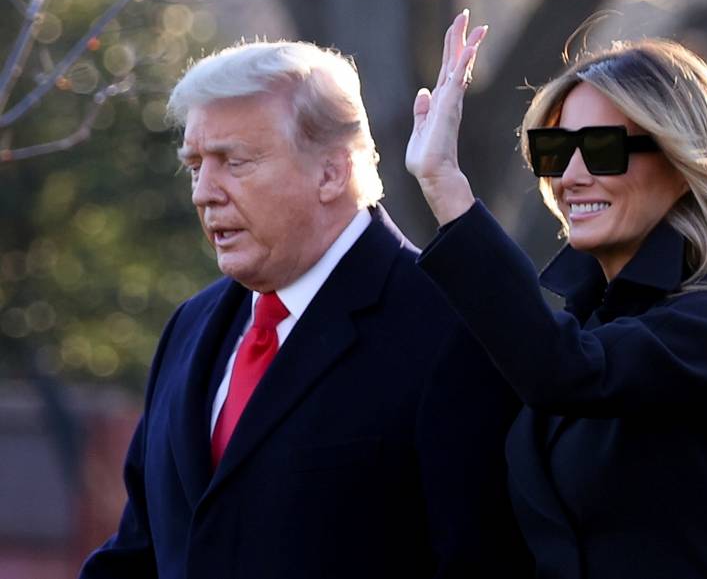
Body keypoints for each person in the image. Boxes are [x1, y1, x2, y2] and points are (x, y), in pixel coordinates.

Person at [79, 40, 533, 579]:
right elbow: (140, 553)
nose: (204, 193)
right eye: (195, 166)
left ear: (332, 172)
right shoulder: (189, 327)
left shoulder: (451, 326)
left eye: (234, 161)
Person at [407, 11, 707, 579]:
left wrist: (448, 191)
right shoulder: (585, 319)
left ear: (682, 161)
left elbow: (568, 372)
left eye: (601, 147)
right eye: (554, 149)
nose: (570, 176)